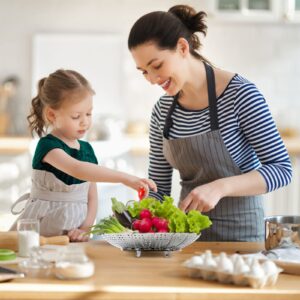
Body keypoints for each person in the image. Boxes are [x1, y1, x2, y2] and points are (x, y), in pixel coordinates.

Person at [127, 5, 292, 241]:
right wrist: (137, 216)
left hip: (242, 239)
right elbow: (159, 191)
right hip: (187, 239)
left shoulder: (240, 95)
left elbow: (281, 169)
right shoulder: (163, 111)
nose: (152, 80)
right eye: (144, 72)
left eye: (157, 66)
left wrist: (220, 187)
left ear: (182, 47)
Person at [10, 69, 156, 241]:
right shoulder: (48, 146)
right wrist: (126, 178)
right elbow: (77, 169)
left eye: (88, 114)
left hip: (73, 236)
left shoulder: (87, 149)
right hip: (40, 231)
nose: (85, 121)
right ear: (51, 114)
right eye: (76, 116)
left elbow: (92, 196)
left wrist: (85, 228)